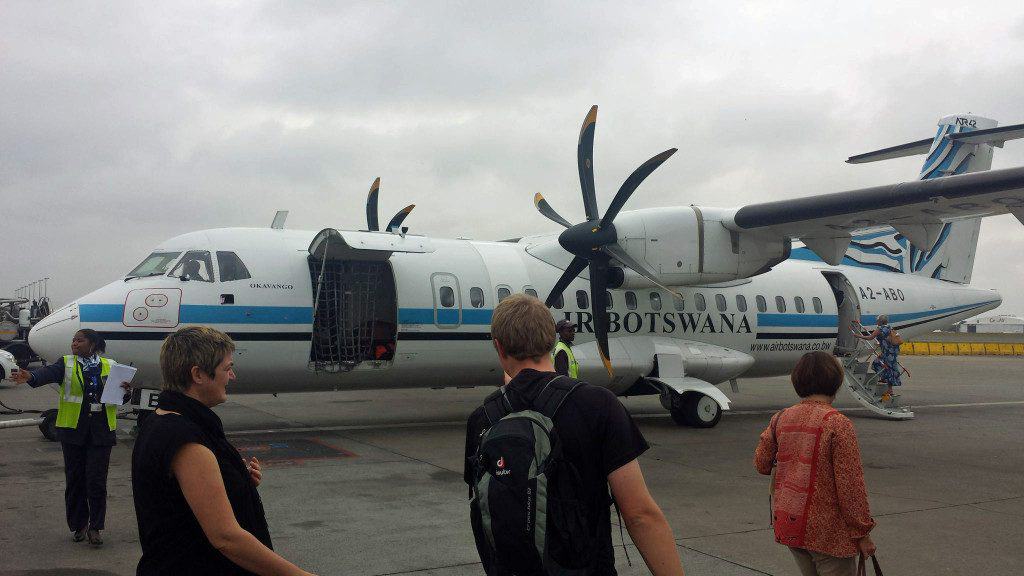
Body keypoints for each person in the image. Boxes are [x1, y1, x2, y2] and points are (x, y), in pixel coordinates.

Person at [464, 294, 684, 575]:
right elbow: (640, 514)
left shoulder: (483, 418)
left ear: (498, 346)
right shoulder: (598, 405)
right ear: (551, 340)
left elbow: (484, 512)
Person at [132, 326, 314, 576]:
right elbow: (226, 538)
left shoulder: (162, 420)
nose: (233, 376)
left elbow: (178, 502)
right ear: (198, 374)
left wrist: (236, 482)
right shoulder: (184, 438)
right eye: (227, 368)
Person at [754, 352, 876, 576]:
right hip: (827, 533)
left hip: (790, 523)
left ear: (797, 381)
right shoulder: (838, 424)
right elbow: (850, 487)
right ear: (836, 381)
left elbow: (762, 464)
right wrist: (862, 532)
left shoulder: (780, 418)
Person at [10, 329, 130, 546]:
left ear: (92, 344)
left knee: (96, 481)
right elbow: (48, 374)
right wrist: (32, 376)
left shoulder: (110, 365)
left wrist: (126, 391)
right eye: (73, 340)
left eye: (80, 340)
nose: (74, 343)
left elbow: (121, 397)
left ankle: (95, 527)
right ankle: (79, 525)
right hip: (73, 431)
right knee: (75, 480)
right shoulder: (65, 363)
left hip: (101, 431)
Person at [852, 315, 901, 401]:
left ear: (880, 321)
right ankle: (889, 388)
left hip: (886, 353)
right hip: (892, 352)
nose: (876, 322)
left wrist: (858, 336)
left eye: (877, 320)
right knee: (890, 369)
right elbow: (887, 339)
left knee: (877, 364)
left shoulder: (880, 329)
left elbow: (870, 337)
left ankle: (885, 381)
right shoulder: (889, 327)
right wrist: (881, 343)